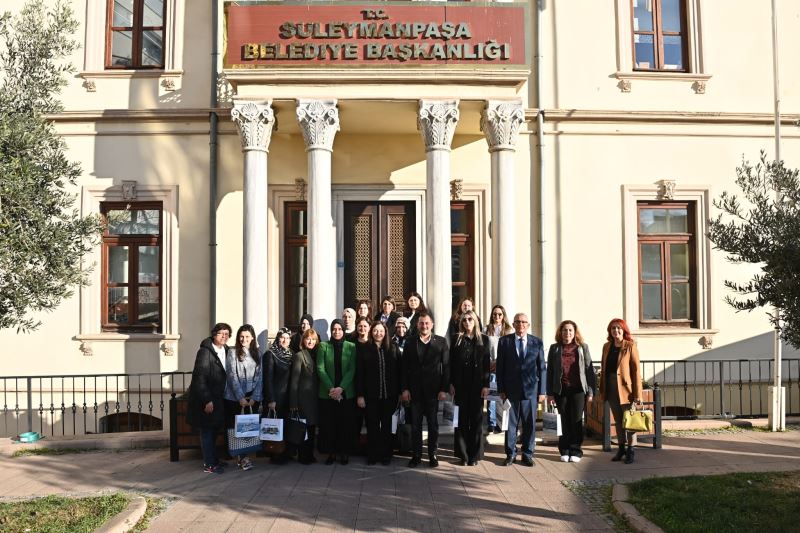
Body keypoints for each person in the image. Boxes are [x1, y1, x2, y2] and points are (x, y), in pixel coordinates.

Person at [496, 312, 546, 467]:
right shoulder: (504, 342)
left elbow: (542, 368)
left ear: (528, 325)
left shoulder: (536, 342)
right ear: (513, 324)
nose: (521, 325)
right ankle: (510, 454)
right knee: (510, 425)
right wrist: (501, 389)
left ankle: (527, 454)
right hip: (510, 391)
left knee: (529, 424)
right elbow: (500, 368)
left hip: (531, 391)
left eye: (524, 322)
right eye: (517, 322)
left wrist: (542, 391)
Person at [401, 312, 449, 468]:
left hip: (433, 392)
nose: (424, 326)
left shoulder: (441, 342)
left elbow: (446, 367)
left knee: (433, 425)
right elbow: (404, 367)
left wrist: (444, 389)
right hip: (414, 391)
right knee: (415, 425)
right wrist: (405, 389)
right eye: (421, 323)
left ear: (432, 324)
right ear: (417, 324)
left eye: (427, 323)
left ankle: (432, 455)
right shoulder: (410, 342)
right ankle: (416, 455)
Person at [546, 320, 595, 463]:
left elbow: (589, 371)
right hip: (560, 390)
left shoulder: (582, 348)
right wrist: (549, 392)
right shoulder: (554, 348)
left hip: (578, 390)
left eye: (570, 330)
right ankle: (564, 449)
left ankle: (576, 450)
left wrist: (591, 392)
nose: (567, 333)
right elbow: (550, 372)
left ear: (575, 333)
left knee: (576, 420)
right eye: (564, 330)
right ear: (560, 333)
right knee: (563, 420)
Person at [186, 322, 232, 474]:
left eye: (226, 334)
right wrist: (207, 400)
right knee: (207, 431)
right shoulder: (205, 352)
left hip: (219, 398)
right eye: (221, 333)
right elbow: (199, 377)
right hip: (207, 400)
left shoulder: (225, 350)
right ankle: (209, 465)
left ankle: (214, 460)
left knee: (213, 432)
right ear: (214, 335)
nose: (224, 336)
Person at [449, 310, 490, 466]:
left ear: (475, 321)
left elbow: (486, 364)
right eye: (464, 320)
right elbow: (450, 364)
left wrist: (486, 385)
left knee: (476, 420)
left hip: (477, 386)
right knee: (460, 420)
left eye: (470, 319)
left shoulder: (484, 340)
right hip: (460, 386)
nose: (467, 322)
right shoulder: (456, 339)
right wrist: (450, 383)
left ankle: (474, 455)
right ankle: (463, 455)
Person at [357, 321, 401, 465]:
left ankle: (386, 454)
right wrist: (360, 395)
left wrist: (401, 392)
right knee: (372, 426)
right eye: (375, 330)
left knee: (387, 426)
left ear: (386, 332)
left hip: (390, 396)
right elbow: (360, 374)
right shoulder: (365, 349)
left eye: (381, 331)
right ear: (371, 332)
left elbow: (400, 372)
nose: (378, 333)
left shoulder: (393, 348)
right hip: (371, 396)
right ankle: (373, 454)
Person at [599, 318, 641, 464]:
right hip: (610, 388)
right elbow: (604, 368)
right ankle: (621, 448)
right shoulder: (606, 346)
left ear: (624, 330)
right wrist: (602, 388)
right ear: (610, 331)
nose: (616, 331)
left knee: (629, 420)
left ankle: (631, 450)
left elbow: (635, 371)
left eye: (618, 328)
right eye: (613, 329)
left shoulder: (630, 346)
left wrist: (638, 394)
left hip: (625, 389)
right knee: (618, 420)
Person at [317, 319, 357, 465]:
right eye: (334, 329)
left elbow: (352, 369)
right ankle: (331, 453)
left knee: (344, 424)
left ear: (343, 330)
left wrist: (341, 388)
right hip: (327, 394)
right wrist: (332, 389)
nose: (337, 331)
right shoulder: (323, 346)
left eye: (340, 329)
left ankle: (344, 453)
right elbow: (320, 368)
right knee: (329, 425)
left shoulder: (351, 347)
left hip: (346, 394)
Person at [223, 324, 263, 471]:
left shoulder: (258, 353)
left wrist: (255, 396)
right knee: (237, 428)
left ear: (252, 337)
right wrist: (240, 397)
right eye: (241, 336)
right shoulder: (233, 353)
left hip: (252, 396)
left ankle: (246, 455)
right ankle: (242, 457)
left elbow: (260, 377)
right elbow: (231, 376)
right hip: (235, 398)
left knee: (248, 427)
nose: (244, 339)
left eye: (247, 336)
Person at [289, 328, 321, 464]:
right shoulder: (299, 356)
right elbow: (294, 381)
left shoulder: (318, 355)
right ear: (303, 340)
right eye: (308, 338)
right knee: (304, 428)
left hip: (315, 399)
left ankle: (310, 455)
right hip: (303, 400)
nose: (311, 341)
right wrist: (293, 403)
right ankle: (303, 456)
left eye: (313, 339)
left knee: (312, 428)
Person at [264, 327, 293, 464]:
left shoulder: (291, 354)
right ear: (277, 338)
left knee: (286, 425)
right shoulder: (271, 354)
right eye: (282, 337)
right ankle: (276, 454)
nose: (285, 340)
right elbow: (268, 378)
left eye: (287, 338)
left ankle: (286, 452)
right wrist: (271, 399)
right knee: (276, 426)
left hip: (288, 396)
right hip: (276, 397)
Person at [485, 304, 513, 433]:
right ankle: (491, 422)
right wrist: (490, 362)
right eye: (494, 314)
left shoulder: (509, 330)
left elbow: (511, 350)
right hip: (490, 366)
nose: (497, 316)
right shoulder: (486, 329)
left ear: (503, 316)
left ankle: (502, 421)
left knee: (503, 395)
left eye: (499, 314)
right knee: (492, 396)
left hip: (505, 366)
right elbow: (483, 348)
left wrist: (499, 362)